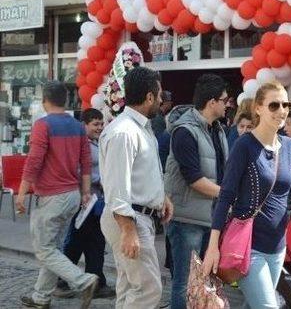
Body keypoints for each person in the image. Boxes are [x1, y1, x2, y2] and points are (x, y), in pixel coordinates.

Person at [202, 82, 291, 309]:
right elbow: (226, 196)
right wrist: (213, 246)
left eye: (285, 105)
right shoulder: (245, 146)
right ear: (258, 108)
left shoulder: (290, 146)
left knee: (254, 305)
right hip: (249, 246)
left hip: (278, 246)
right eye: (274, 105)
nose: (281, 111)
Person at [16, 81, 99, 309]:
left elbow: (33, 161)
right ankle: (41, 297)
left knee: (45, 250)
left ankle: (83, 280)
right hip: (72, 195)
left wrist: (21, 193)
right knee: (52, 248)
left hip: (52, 197)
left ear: (45, 101)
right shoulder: (76, 126)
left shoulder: (43, 125)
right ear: (66, 100)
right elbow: (85, 163)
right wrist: (85, 193)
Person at [99, 67, 174, 308]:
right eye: (159, 94)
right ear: (150, 97)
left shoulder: (140, 128)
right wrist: (128, 231)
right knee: (148, 289)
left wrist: (162, 197)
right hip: (129, 219)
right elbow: (116, 188)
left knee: (129, 286)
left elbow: (144, 172)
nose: (162, 100)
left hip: (137, 217)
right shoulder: (124, 132)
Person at [164, 74, 230, 309]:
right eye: (224, 99)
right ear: (212, 102)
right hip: (186, 220)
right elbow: (193, 178)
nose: (227, 103)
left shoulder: (218, 129)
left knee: (204, 281)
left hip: (210, 217)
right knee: (184, 283)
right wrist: (227, 194)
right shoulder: (185, 131)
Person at [57, 109, 115, 299]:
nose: (99, 127)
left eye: (101, 124)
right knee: (76, 242)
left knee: (95, 242)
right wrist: (95, 184)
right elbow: (78, 172)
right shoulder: (80, 146)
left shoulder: (96, 143)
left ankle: (97, 281)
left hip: (96, 203)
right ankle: (61, 281)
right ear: (84, 125)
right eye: (95, 124)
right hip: (84, 202)